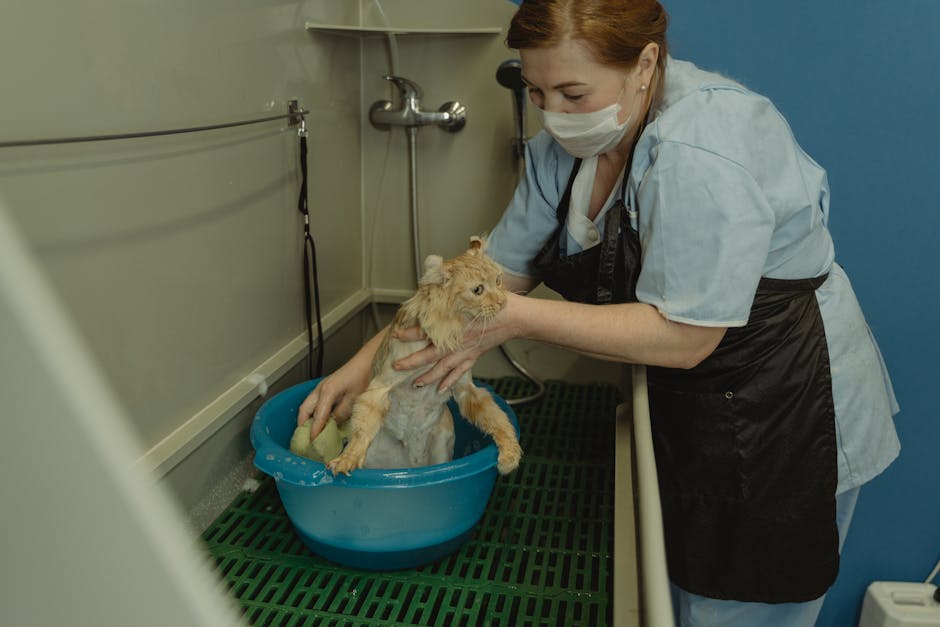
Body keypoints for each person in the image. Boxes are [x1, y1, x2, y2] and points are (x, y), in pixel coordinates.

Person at [298, 0, 900, 624]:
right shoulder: (561, 152)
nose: (554, 115)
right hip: (694, 404)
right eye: (536, 92)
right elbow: (482, 281)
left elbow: (686, 336)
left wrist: (517, 319)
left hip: (784, 406)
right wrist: (364, 367)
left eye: (572, 92)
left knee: (740, 606)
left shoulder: (703, 146)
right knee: (685, 603)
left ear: (645, 64)